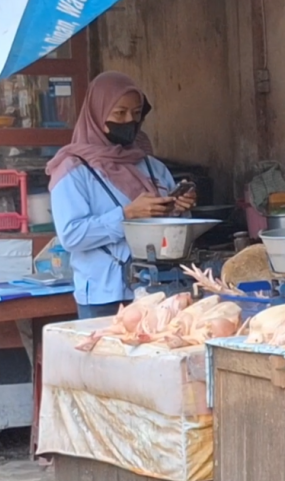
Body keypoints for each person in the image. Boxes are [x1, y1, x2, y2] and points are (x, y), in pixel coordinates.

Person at [47, 72, 195, 319]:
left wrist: (179, 208)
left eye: (136, 114)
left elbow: (172, 232)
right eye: (119, 113)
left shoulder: (151, 166)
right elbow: (71, 235)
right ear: (96, 113)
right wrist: (127, 215)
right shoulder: (73, 170)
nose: (129, 120)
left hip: (157, 290)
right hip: (104, 294)